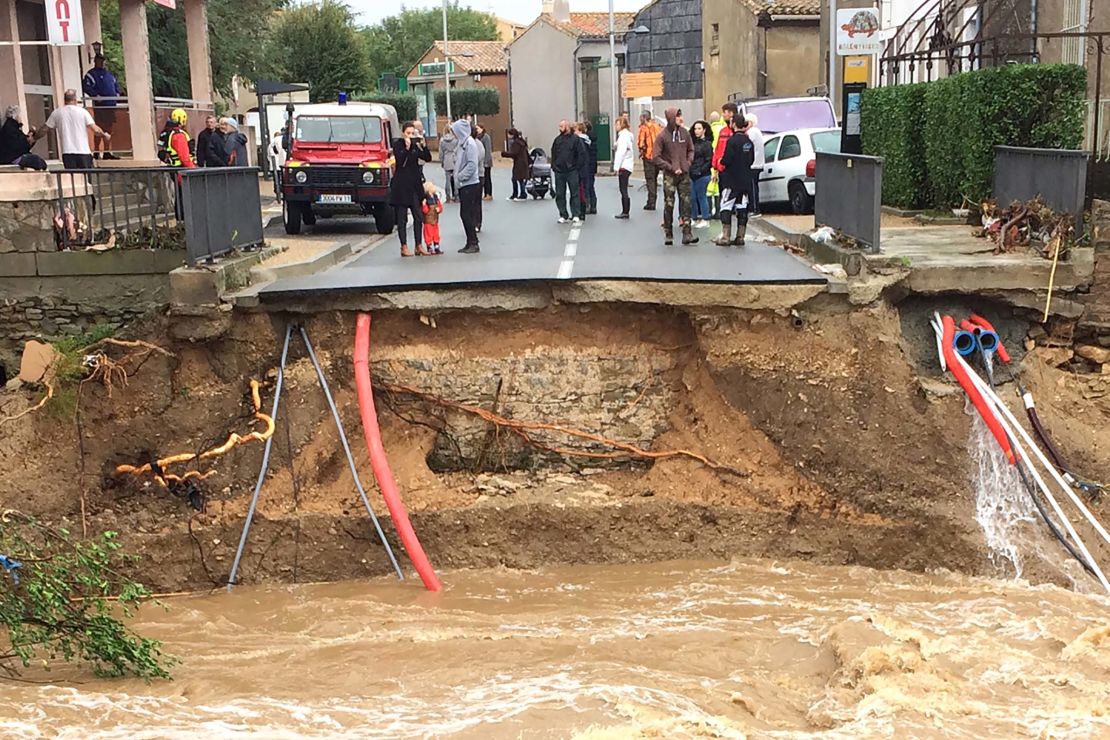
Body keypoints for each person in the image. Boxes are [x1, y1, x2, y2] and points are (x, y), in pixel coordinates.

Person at [32, 89, 110, 170]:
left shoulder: (57, 112)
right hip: (83, 152)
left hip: (67, 152)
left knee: (72, 179)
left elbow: (44, 129)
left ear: (64, 100)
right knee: (86, 179)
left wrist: (34, 138)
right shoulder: (83, 112)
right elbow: (96, 130)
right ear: (75, 99)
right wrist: (104, 135)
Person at [653, 108, 696, 246]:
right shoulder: (662, 136)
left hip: (684, 174)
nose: (681, 118)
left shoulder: (685, 133)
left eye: (681, 115)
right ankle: (668, 233)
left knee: (686, 203)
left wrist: (688, 163)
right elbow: (656, 157)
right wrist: (670, 167)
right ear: (671, 118)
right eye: (678, 116)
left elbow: (691, 150)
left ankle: (687, 233)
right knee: (669, 204)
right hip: (670, 176)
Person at [391, 120, 433, 257]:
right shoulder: (398, 144)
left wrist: (423, 146)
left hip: (414, 186)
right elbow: (401, 161)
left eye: (412, 133)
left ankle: (418, 245)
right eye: (408, 133)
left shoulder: (416, 145)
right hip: (401, 186)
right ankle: (403, 246)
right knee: (402, 218)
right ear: (403, 133)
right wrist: (407, 148)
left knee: (418, 216)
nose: (410, 136)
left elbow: (427, 158)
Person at [716, 114, 755, 247]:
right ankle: (740, 236)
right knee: (742, 207)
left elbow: (727, 160)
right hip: (745, 180)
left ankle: (726, 237)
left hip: (731, 180)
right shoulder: (748, 142)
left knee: (726, 206)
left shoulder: (732, 141)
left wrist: (721, 161)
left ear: (734, 124)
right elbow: (751, 160)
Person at [82, 54, 121, 160]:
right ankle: (96, 151)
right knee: (99, 128)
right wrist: (95, 96)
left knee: (109, 128)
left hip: (111, 106)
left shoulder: (109, 75)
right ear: (95, 61)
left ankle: (107, 152)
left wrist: (117, 94)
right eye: (99, 60)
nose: (101, 63)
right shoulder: (91, 74)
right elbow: (87, 86)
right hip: (100, 106)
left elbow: (116, 86)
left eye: (103, 61)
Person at [452, 119, 482, 254]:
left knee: (467, 214)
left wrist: (460, 177)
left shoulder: (470, 144)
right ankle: (470, 241)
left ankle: (473, 242)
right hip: (464, 185)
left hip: (469, 184)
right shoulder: (462, 143)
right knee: (465, 214)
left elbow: (471, 165)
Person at [551, 119, 586, 224]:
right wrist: (554, 166)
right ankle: (563, 214)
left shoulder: (575, 140)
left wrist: (577, 167)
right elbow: (553, 154)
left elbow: (581, 154)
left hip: (572, 171)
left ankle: (575, 214)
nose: (560, 128)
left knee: (574, 193)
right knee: (560, 193)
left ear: (567, 127)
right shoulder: (557, 140)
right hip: (559, 171)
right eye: (559, 126)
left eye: (561, 126)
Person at [0, 106, 46, 170]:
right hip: (12, 157)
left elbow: (21, 141)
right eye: (19, 115)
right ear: (15, 116)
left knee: (38, 161)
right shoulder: (10, 128)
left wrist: (29, 137)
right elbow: (18, 145)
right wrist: (28, 140)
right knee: (37, 160)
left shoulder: (13, 127)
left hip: (14, 156)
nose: (20, 118)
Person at [689, 120, 714, 229]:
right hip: (692, 173)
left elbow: (709, 160)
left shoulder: (707, 144)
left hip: (703, 174)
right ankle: (694, 218)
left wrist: (700, 170)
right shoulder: (693, 143)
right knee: (692, 197)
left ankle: (705, 218)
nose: (696, 131)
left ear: (704, 130)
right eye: (695, 129)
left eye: (699, 128)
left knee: (701, 196)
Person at [636, 110, 662, 210]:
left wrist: (642, 152)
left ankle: (651, 202)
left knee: (650, 180)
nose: (640, 119)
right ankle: (652, 200)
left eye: (641, 117)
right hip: (658, 156)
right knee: (654, 178)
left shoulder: (644, 128)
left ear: (644, 117)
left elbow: (642, 143)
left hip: (649, 157)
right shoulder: (657, 126)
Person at [612, 116, 635, 219]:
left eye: (617, 124)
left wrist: (616, 167)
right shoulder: (627, 136)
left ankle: (625, 211)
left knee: (623, 189)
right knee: (624, 188)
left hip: (623, 165)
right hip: (628, 165)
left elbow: (620, 153)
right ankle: (625, 210)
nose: (615, 126)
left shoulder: (623, 137)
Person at [745, 113, 766, 217]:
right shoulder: (757, 131)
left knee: (752, 188)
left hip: (753, 164)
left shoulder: (751, 132)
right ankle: (754, 208)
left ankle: (754, 209)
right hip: (757, 163)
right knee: (753, 186)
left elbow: (748, 147)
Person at [574, 121, 595, 221]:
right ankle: (592, 206)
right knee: (589, 187)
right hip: (589, 166)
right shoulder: (588, 140)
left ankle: (585, 206)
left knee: (583, 188)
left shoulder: (579, 141)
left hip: (583, 167)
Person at [502, 128, 530, 201]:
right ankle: (520, 193)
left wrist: (504, 154)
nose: (508, 135)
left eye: (509, 134)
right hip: (523, 162)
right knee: (520, 179)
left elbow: (514, 153)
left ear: (512, 135)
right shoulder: (521, 142)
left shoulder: (516, 143)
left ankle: (519, 194)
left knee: (515, 179)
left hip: (519, 163)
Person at [578, 120, 598, 216]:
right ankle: (593, 206)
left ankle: (588, 205)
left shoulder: (584, 141)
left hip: (587, 166)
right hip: (592, 165)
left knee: (586, 186)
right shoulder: (591, 140)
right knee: (591, 186)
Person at [707, 111, 724, 217]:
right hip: (722, 161)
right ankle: (718, 211)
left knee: (710, 187)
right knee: (718, 187)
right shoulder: (723, 129)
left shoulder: (710, 131)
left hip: (712, 160)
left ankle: (709, 211)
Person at [421, 181, 444, 255]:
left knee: (436, 233)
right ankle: (429, 246)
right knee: (428, 234)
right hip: (428, 220)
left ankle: (436, 246)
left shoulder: (436, 198)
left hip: (435, 219)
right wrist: (424, 205)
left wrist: (439, 209)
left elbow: (440, 206)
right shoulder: (426, 200)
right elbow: (425, 211)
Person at [440, 124, 459, 203]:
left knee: (447, 180)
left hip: (446, 159)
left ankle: (448, 197)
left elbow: (441, 152)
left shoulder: (442, 140)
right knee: (455, 179)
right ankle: (457, 196)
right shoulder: (456, 140)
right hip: (454, 159)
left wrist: (442, 160)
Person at [475, 124, 494, 201]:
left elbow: (488, 150)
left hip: (486, 161)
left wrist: (486, 161)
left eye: (478, 128)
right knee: (482, 178)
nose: (477, 130)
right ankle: (485, 193)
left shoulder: (486, 137)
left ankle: (489, 193)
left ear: (482, 129)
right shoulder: (477, 137)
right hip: (480, 161)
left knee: (487, 178)